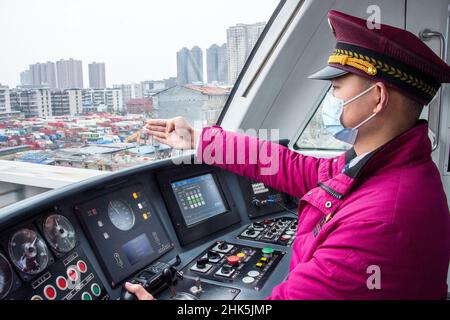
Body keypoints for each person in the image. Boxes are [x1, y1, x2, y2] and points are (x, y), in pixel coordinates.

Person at [125, 10, 450, 300]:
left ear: (377, 97)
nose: (331, 95)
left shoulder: (379, 222)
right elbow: (297, 168)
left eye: (337, 86)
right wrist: (198, 138)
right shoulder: (385, 165)